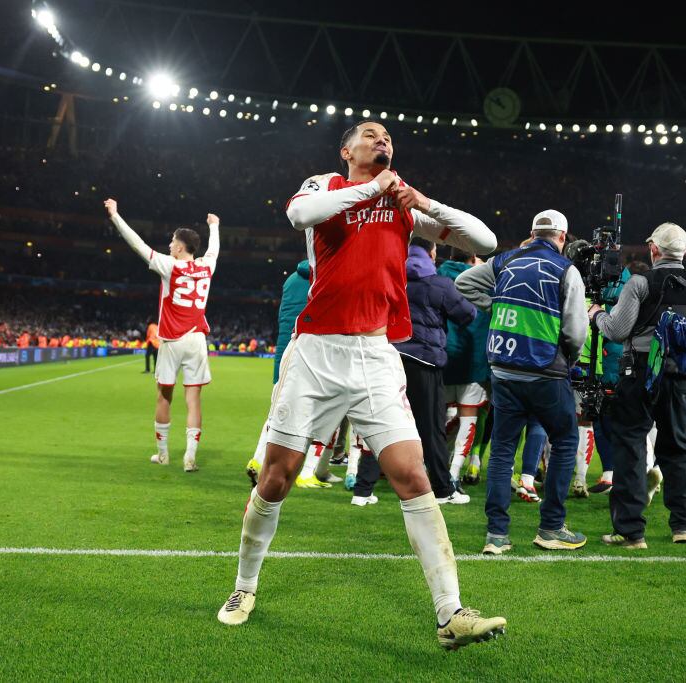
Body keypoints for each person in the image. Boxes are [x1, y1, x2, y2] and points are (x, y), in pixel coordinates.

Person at [216, 120, 504, 651]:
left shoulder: (403, 206)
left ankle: (451, 613)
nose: (383, 140)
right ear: (346, 149)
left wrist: (424, 201)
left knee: (413, 475)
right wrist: (374, 187)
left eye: (388, 136)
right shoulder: (325, 185)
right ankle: (244, 586)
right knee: (278, 476)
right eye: (371, 134)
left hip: (375, 354)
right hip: (316, 353)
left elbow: (484, 240)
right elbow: (298, 215)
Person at [456, 209, 588, 554]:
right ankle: (551, 527)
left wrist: (496, 307)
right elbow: (575, 332)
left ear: (532, 233)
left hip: (503, 369)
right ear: (562, 236)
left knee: (501, 450)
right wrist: (567, 353)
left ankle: (496, 534)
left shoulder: (505, 260)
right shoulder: (565, 269)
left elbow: (464, 283)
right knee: (563, 440)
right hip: (545, 370)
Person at [589, 222, 686, 546]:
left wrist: (596, 313)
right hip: (680, 374)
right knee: (678, 447)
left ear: (653, 249)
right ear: (683, 252)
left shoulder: (641, 282)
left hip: (640, 372)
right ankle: (683, 525)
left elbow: (616, 330)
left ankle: (631, 531)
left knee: (629, 446)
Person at [103, 198, 219, 473]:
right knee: (193, 400)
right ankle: (190, 457)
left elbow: (137, 245)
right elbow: (214, 249)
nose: (168, 245)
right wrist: (214, 226)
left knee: (164, 396)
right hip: (197, 340)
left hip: (171, 340)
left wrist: (116, 216)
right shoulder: (207, 266)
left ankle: (163, 454)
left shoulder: (170, 265)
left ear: (180, 247)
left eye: (171, 242)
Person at [245, 260, 343, 490]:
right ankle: (308, 472)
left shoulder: (290, 281)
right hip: (314, 354)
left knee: (276, 413)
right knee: (324, 417)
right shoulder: (326, 278)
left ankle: (258, 460)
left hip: (284, 354)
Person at [394, 237, 477, 504]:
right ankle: (442, 488)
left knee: (393, 424)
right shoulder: (439, 284)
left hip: (390, 359)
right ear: (432, 253)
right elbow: (467, 315)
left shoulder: (393, 278)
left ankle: (367, 485)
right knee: (431, 427)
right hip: (425, 362)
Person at [438, 248, 492, 487]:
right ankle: (453, 473)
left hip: (441, 359)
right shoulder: (483, 283)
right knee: (468, 419)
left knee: (438, 419)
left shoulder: (436, 277)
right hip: (473, 361)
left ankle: (433, 467)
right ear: (472, 258)